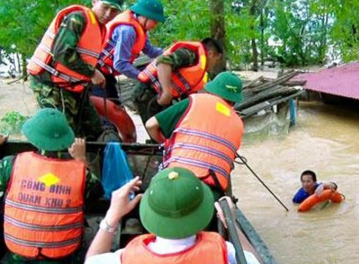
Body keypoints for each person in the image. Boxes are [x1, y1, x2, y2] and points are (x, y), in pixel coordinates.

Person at [84, 167, 260, 264]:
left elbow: (92, 260)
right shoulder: (224, 251)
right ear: (203, 211)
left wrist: (112, 216)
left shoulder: (125, 258)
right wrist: (231, 222)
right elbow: (254, 261)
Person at [0, 108, 102, 264]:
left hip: (17, 255)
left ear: (33, 138)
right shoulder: (81, 173)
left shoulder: (11, 163)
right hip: (62, 256)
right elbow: (95, 194)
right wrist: (81, 161)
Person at [28, 0, 124, 141]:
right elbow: (62, 52)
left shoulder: (99, 28)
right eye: (105, 7)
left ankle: (92, 161)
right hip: (51, 86)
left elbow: (85, 57)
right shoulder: (77, 18)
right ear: (95, 1)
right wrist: (92, 72)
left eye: (114, 10)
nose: (108, 14)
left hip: (75, 88)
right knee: (62, 135)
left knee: (95, 130)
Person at [145, 72, 244, 198]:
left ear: (211, 91)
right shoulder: (238, 123)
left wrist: (166, 143)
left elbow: (150, 125)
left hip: (176, 179)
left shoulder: (195, 101)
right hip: (211, 191)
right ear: (235, 100)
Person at [134, 37, 224, 123]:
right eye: (216, 61)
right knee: (159, 133)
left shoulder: (199, 69)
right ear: (211, 54)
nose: (214, 65)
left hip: (161, 99)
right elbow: (163, 61)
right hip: (147, 93)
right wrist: (166, 92)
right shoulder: (190, 54)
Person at [94, 0, 166, 102]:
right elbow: (120, 64)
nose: (155, 25)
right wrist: (141, 75)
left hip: (107, 75)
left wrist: (167, 52)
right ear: (144, 16)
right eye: (154, 21)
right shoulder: (128, 31)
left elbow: (149, 50)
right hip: (96, 73)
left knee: (114, 106)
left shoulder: (140, 27)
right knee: (106, 111)